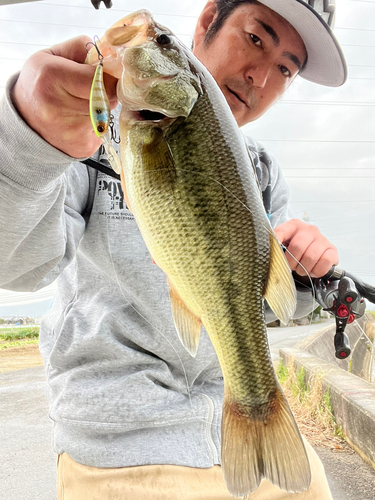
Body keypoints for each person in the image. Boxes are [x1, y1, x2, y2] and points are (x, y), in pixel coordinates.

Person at [0, 0, 345, 498]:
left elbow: (262, 305)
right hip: (124, 450)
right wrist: (29, 140)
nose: (260, 78)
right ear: (208, 21)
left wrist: (309, 275)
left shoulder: (264, 173)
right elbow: (16, 264)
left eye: (285, 69)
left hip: (236, 431)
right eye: (256, 38)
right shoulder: (88, 130)